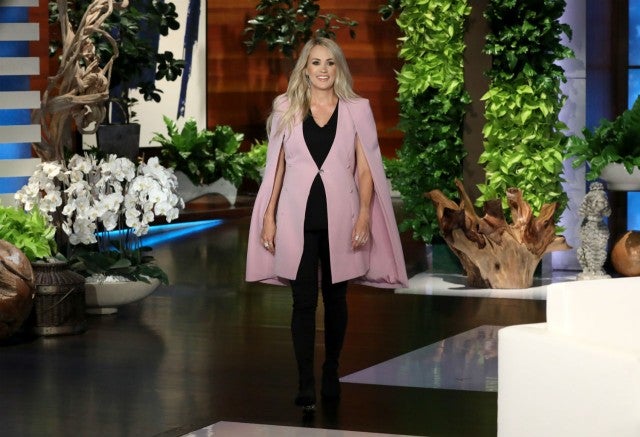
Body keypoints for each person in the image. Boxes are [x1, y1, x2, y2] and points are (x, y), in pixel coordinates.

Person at [245, 37, 408, 413]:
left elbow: (366, 168)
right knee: (302, 303)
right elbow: (276, 167)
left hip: (342, 219)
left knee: (336, 300)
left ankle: (331, 369)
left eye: (330, 63)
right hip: (295, 219)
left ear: (339, 68)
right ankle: (305, 382)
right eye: (316, 62)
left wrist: (364, 213)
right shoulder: (285, 107)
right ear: (305, 69)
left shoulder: (357, 109)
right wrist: (268, 216)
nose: (323, 70)